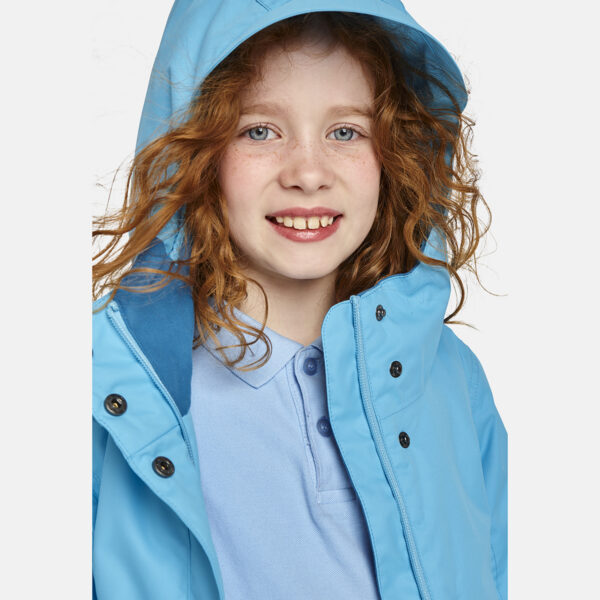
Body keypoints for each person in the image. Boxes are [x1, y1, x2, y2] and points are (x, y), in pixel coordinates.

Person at [92, 2, 507, 599]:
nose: (308, 174)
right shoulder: (114, 392)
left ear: (394, 154)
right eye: (260, 130)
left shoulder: (450, 379)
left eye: (346, 132)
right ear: (198, 152)